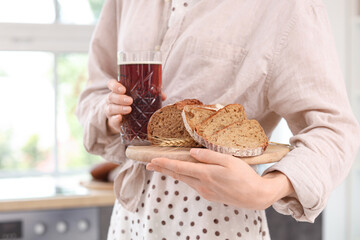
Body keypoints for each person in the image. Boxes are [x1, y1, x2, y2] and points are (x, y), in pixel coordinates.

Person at [76, 0, 360, 239]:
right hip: (129, 221)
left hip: (216, 222)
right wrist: (110, 112)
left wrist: (267, 189)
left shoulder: (286, 7)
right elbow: (93, 94)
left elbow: (333, 129)